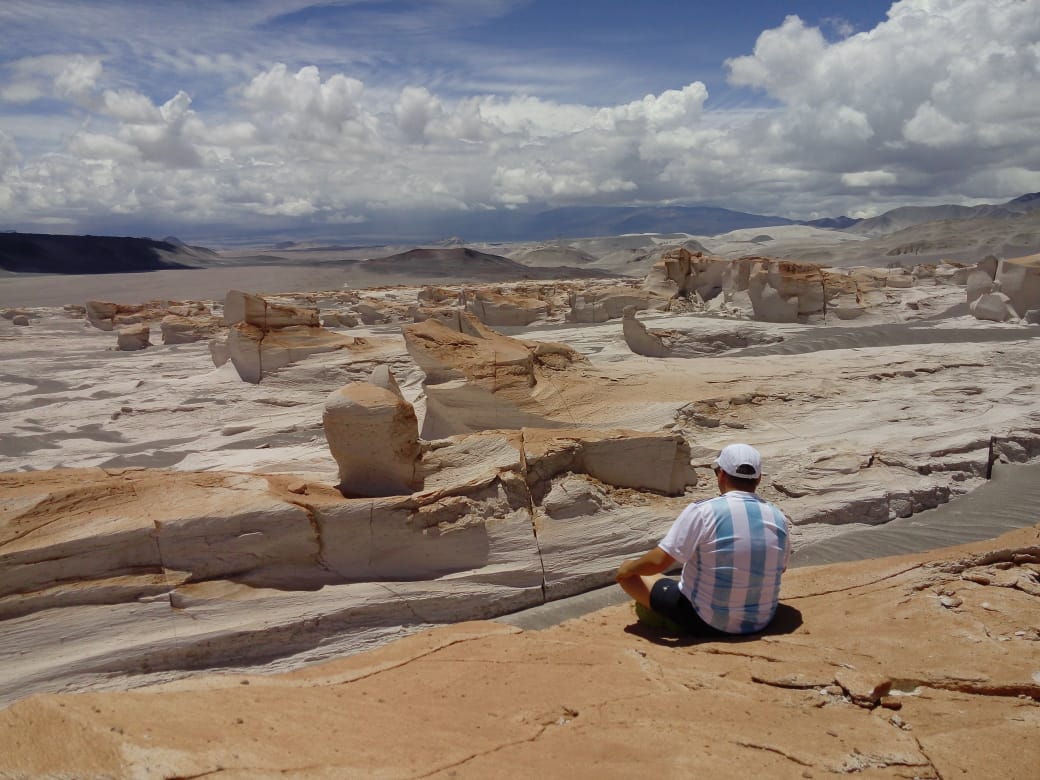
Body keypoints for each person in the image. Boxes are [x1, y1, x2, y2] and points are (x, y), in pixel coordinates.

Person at [615, 443, 791, 636]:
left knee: (632, 575)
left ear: (721, 474)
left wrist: (628, 568)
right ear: (758, 479)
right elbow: (781, 568)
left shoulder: (703, 511)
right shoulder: (777, 516)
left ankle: (670, 620)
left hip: (704, 621)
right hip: (761, 620)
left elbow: (658, 562)